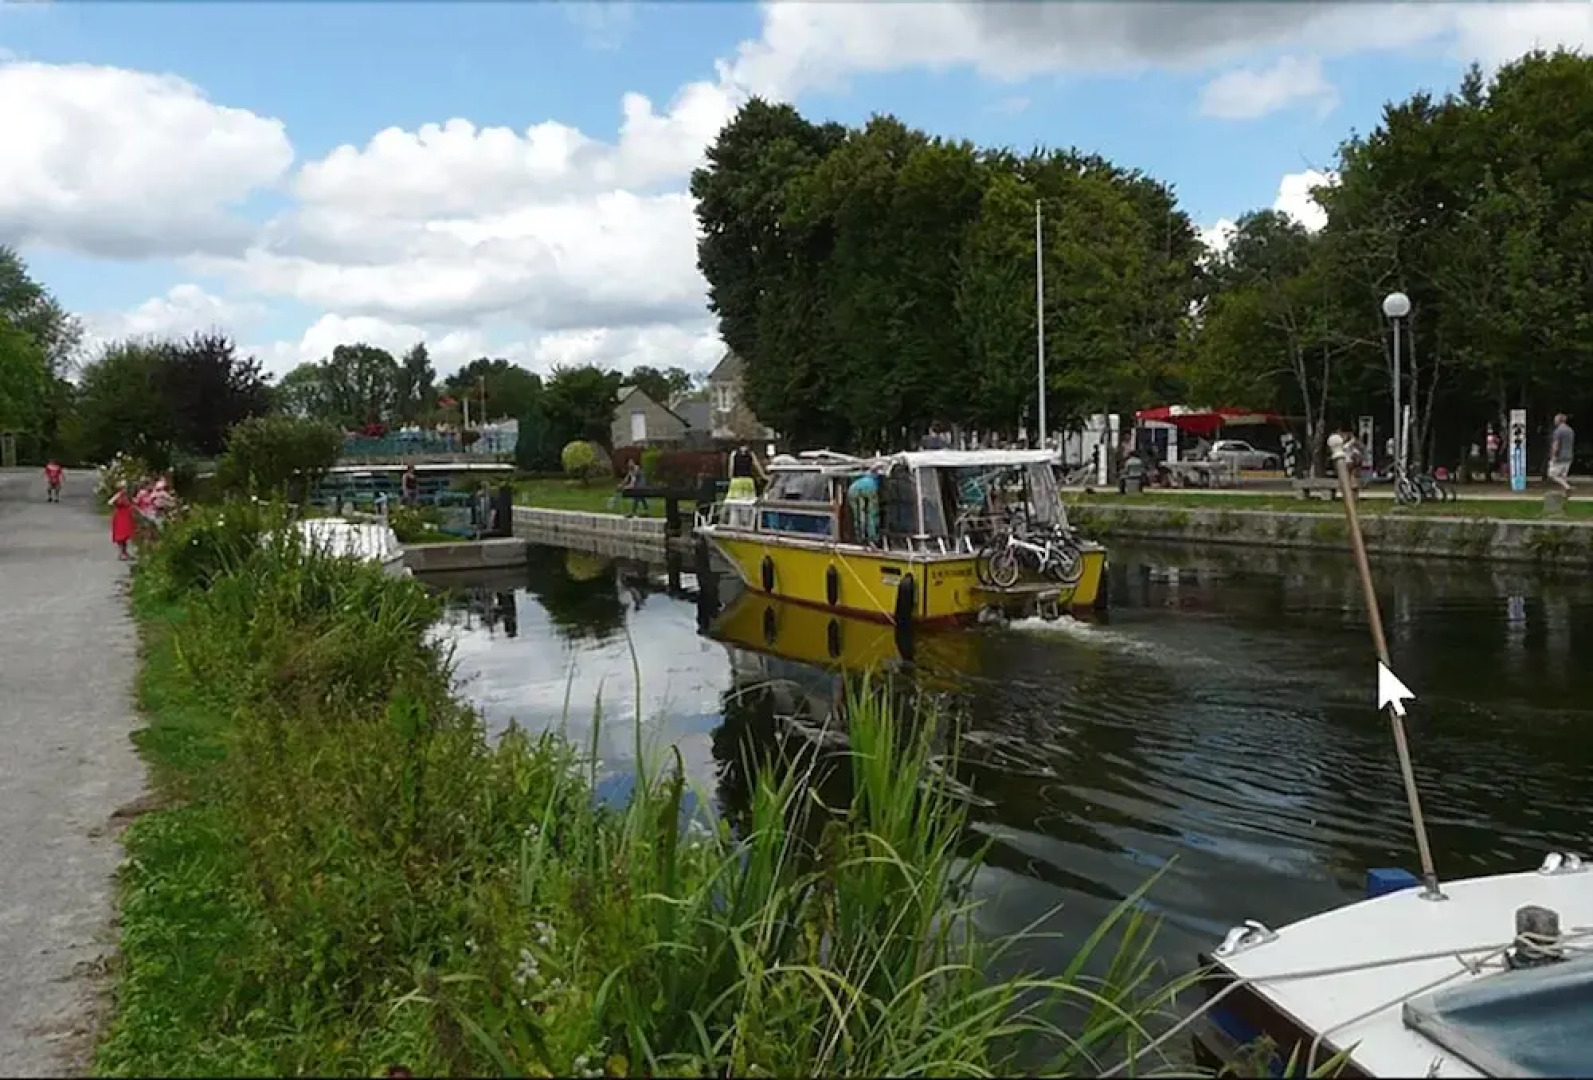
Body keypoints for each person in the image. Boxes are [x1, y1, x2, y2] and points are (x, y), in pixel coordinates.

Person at [847, 468, 882, 545]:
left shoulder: (863, 477)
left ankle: (859, 537)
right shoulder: (875, 481)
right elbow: (873, 513)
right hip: (868, 489)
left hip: (852, 490)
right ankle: (872, 539)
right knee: (871, 514)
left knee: (858, 515)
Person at [1548, 413, 1574, 495]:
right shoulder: (1570, 430)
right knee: (1563, 476)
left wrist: (1553, 456)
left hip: (1560, 456)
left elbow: (1556, 444)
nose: (1554, 421)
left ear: (1559, 421)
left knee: (1552, 474)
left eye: (1555, 420)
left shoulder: (1558, 431)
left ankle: (1567, 487)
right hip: (1569, 456)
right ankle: (1565, 493)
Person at [109, 483, 137, 561]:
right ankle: (122, 553)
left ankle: (125, 552)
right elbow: (110, 502)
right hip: (120, 517)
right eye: (122, 488)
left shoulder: (127, 497)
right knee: (120, 536)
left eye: (125, 488)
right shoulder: (118, 496)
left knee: (126, 536)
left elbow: (133, 503)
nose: (124, 489)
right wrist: (118, 495)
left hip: (126, 517)